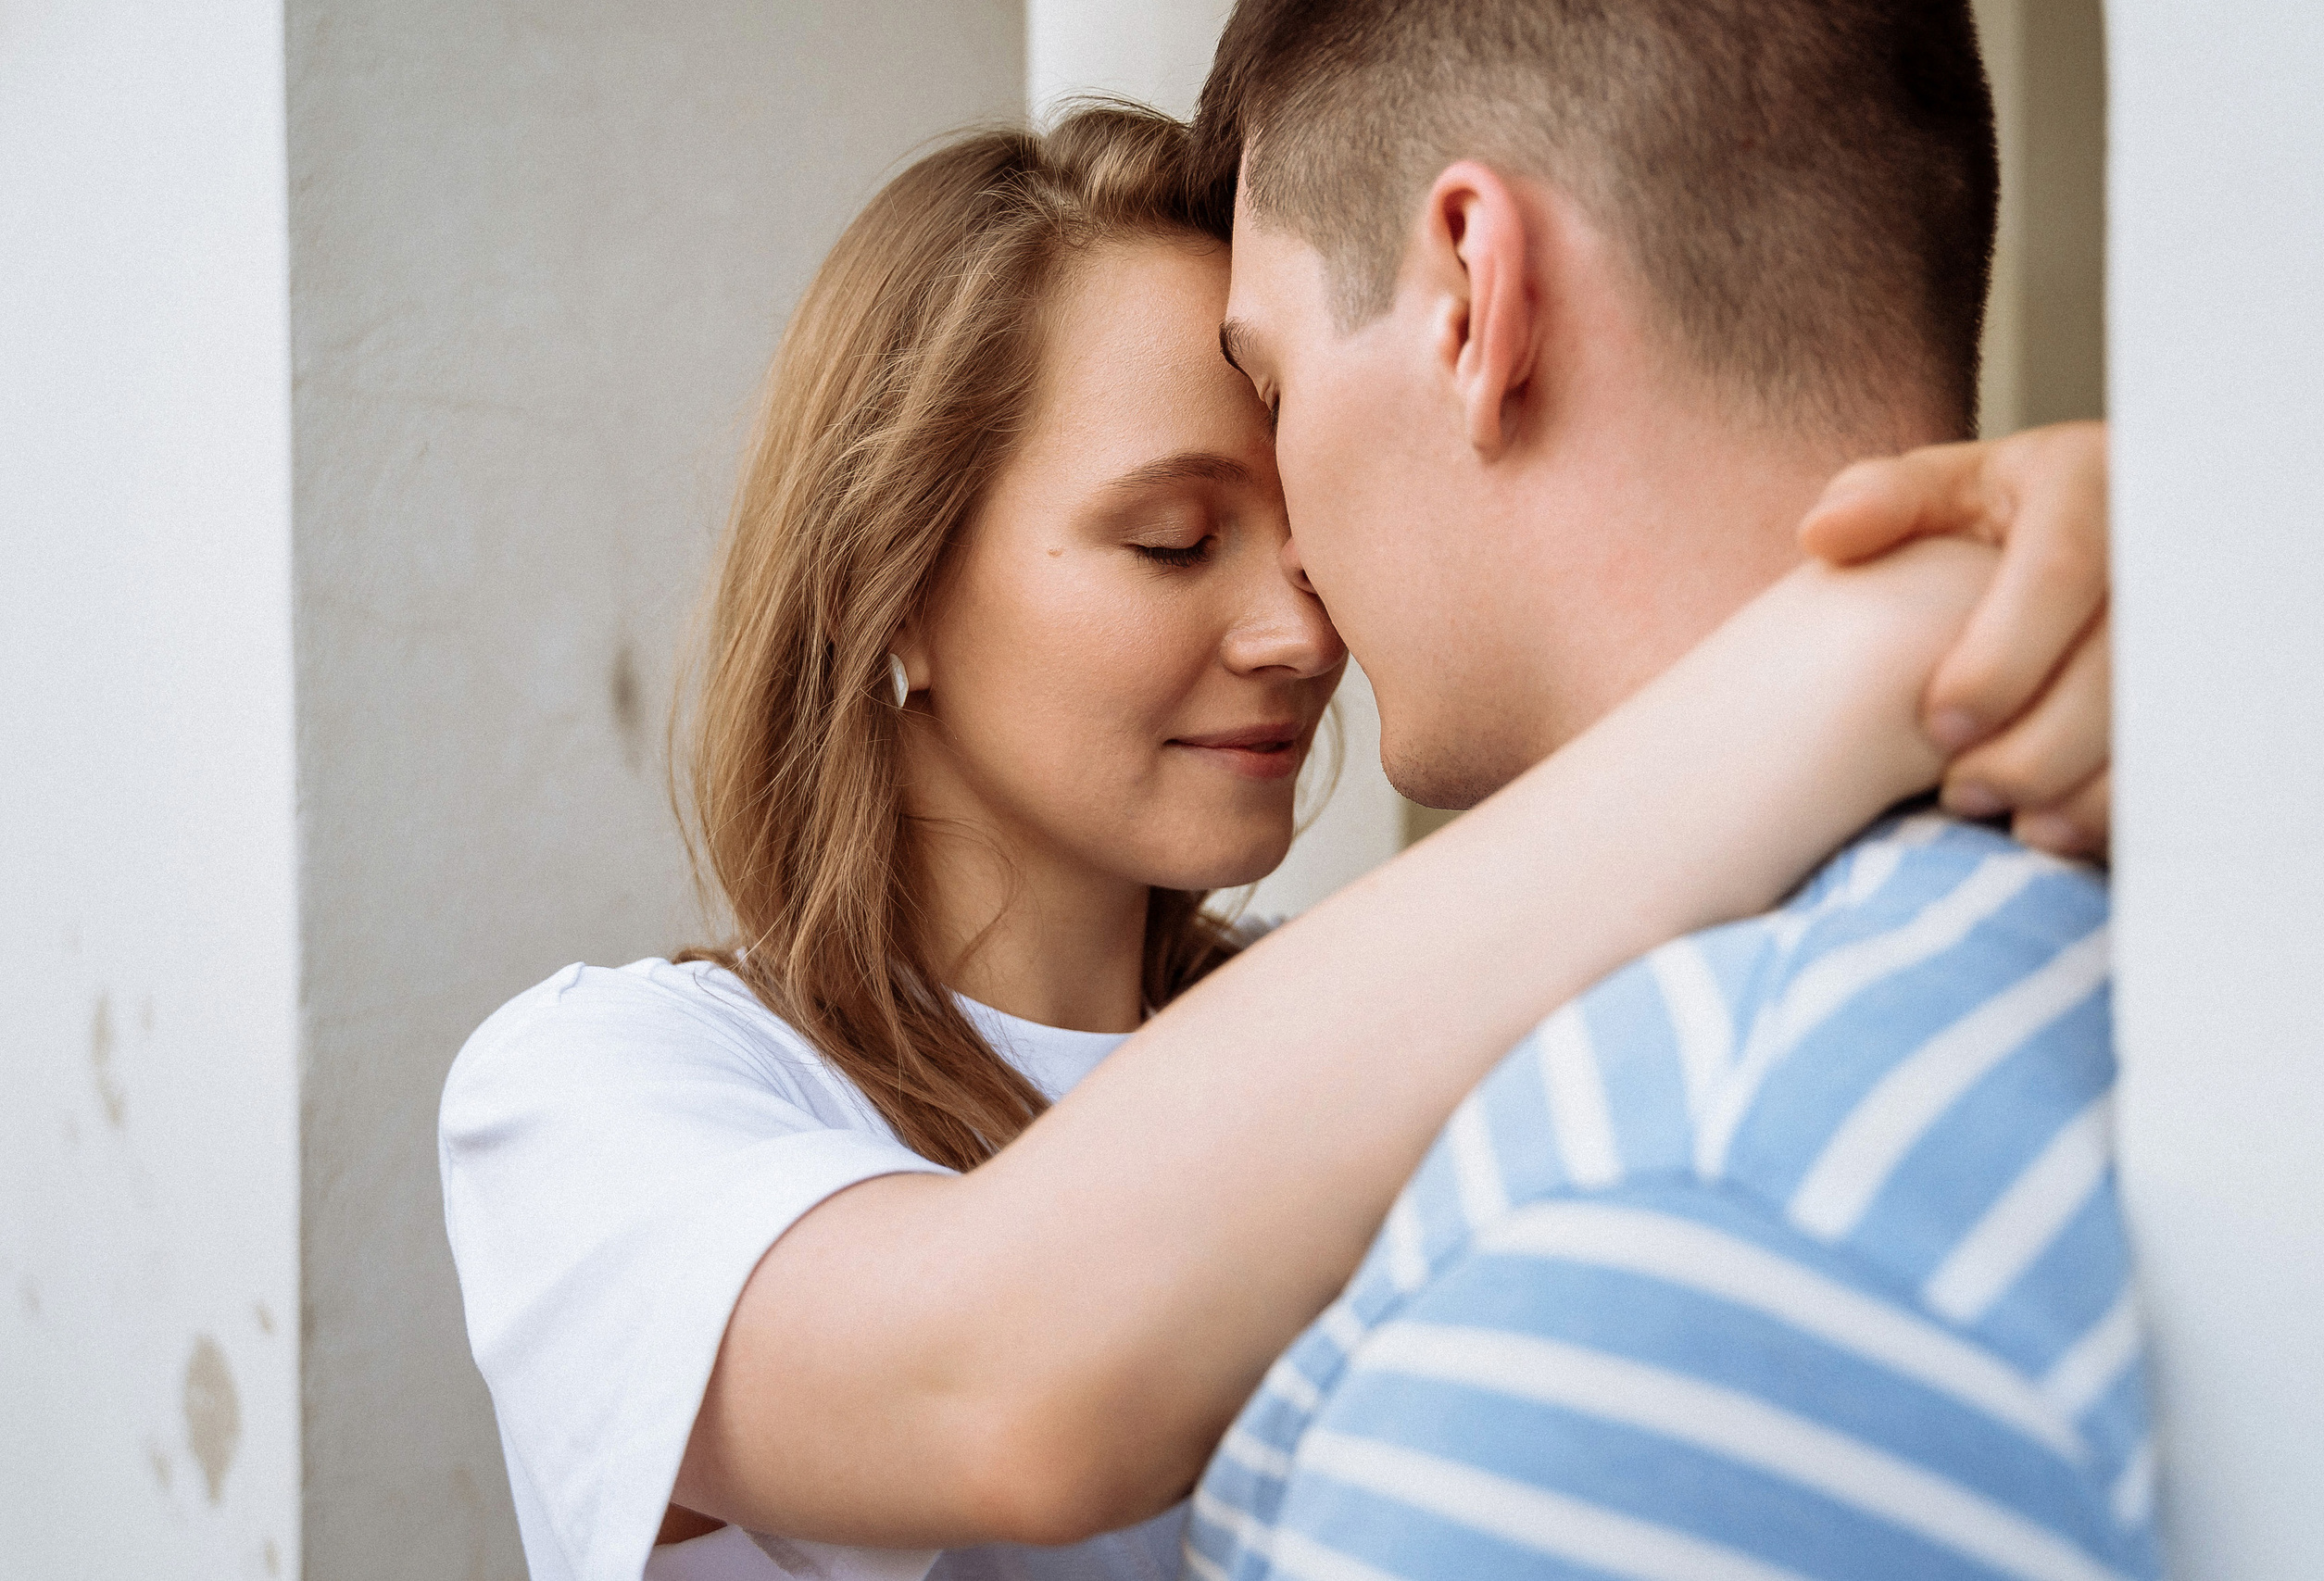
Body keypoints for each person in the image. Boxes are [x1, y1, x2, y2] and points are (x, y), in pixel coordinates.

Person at [436, 108, 2114, 1581]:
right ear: (896, 590)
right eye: (1172, 541)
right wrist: (1897, 634)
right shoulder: (603, 1094)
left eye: (1310, 543)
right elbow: (997, 1386)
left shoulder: (1400, 1021)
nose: (1296, 637)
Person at [1175, 2, 2149, 1577]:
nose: (1285, 546)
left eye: (1272, 389)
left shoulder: (1655, 1223)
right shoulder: (2177, 921)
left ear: (1472, 296)